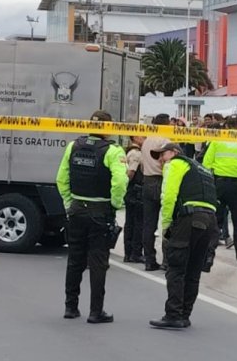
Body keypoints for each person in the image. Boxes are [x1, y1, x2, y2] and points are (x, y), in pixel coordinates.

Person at [56, 110, 128, 324]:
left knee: (75, 259)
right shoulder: (113, 151)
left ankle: (71, 307)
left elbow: (61, 178)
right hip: (100, 210)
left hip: (77, 209)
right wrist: (115, 204)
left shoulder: (73, 146)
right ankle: (96, 312)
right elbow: (120, 182)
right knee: (98, 261)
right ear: (108, 128)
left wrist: (70, 202)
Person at [149, 142, 219, 329]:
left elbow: (169, 196)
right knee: (193, 270)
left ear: (174, 152)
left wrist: (166, 227)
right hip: (210, 221)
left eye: (162, 155)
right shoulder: (201, 168)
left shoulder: (176, 164)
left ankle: (173, 315)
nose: (161, 161)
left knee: (176, 268)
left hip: (189, 218)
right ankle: (184, 315)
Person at [202, 116, 237, 270]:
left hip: (218, 184)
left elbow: (206, 163)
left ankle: (207, 259)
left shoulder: (217, 139)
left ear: (225, 126)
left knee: (213, 223)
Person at [140, 114, 173, 271]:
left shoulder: (147, 140)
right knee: (167, 222)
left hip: (147, 181)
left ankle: (149, 259)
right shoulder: (165, 141)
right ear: (166, 124)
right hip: (162, 181)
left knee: (148, 224)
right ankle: (167, 260)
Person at [123, 135, 146, 263]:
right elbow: (131, 173)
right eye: (143, 137)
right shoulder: (136, 154)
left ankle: (129, 252)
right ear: (136, 138)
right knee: (137, 223)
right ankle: (135, 253)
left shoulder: (130, 152)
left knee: (131, 222)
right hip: (136, 191)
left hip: (132, 191)